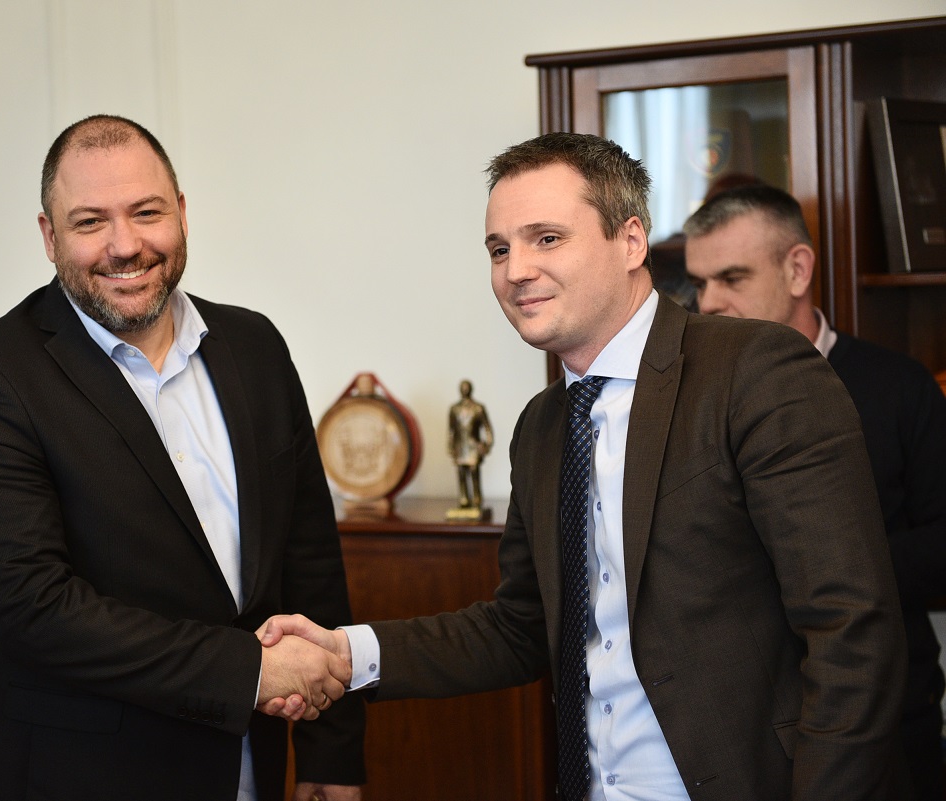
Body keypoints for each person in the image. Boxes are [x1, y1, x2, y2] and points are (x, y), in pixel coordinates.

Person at [257, 132, 907, 800]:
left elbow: (853, 630)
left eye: (547, 239)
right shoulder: (542, 426)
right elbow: (521, 626)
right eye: (499, 249)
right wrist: (347, 655)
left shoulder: (754, 371)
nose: (516, 270)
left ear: (631, 241)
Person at [0, 115, 364, 801]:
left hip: (251, 767)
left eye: (146, 212)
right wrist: (249, 671)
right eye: (90, 221)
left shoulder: (255, 346)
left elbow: (308, 558)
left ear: (182, 213)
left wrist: (331, 753)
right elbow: (35, 607)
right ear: (49, 236)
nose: (125, 245)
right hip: (76, 777)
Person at [683, 183, 946, 800]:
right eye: (699, 283)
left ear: (797, 269)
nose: (708, 303)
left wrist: (820, 569)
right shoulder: (687, 402)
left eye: (732, 277)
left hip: (887, 721)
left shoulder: (899, 387)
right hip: (737, 731)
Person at [447, 379, 493, 511]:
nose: (465, 390)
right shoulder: (454, 409)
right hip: (460, 446)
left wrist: (487, 445)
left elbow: (487, 428)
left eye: (467, 387)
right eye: (463, 388)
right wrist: (450, 447)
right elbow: (451, 431)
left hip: (474, 447)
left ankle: (477, 499)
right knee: (461, 474)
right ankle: (464, 499)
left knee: (474, 473)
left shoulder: (478, 408)